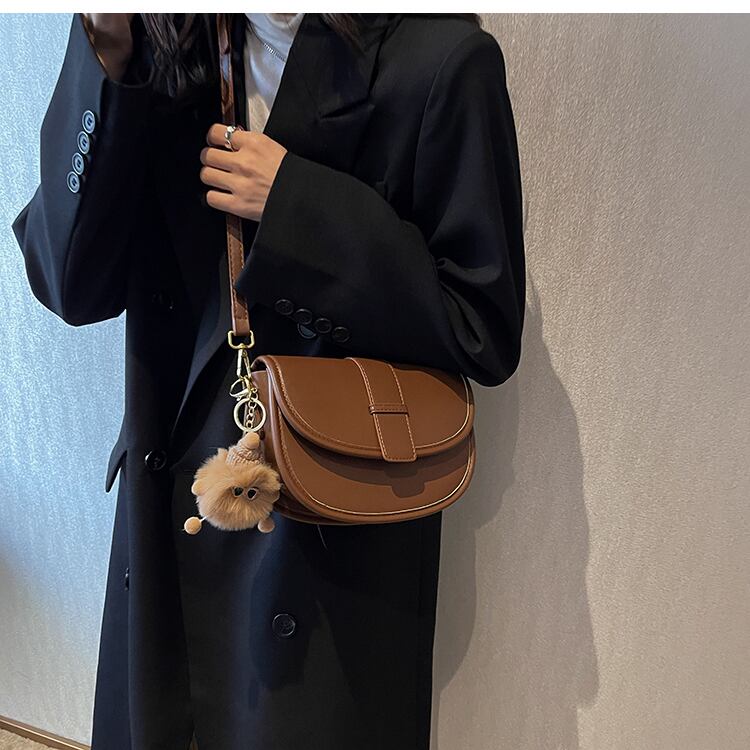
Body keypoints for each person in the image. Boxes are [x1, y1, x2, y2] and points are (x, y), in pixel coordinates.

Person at [12, 12, 525, 750]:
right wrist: (108, 46)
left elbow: (481, 326)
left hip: (328, 553)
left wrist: (296, 208)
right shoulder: (173, 52)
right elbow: (69, 284)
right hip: (168, 521)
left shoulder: (441, 61)